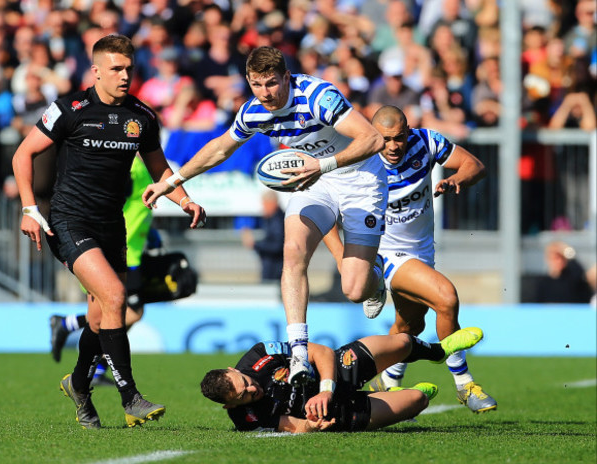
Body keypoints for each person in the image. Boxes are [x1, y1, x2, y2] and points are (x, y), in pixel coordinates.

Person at [141, 46, 388, 387]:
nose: (265, 93)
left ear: (287, 77)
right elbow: (219, 149)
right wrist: (171, 181)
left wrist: (323, 165)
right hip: (312, 180)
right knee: (293, 252)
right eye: (257, 84)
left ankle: (375, 274)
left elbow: (372, 138)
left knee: (356, 289)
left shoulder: (318, 97)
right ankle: (300, 355)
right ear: (248, 81)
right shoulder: (254, 112)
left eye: (272, 83)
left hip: (359, 178)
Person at [12, 34, 206, 429]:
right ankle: (130, 396)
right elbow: (23, 153)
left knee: (100, 317)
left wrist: (183, 200)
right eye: (115, 69)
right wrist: (30, 209)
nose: (124, 76)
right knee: (116, 296)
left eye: (129, 69)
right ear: (96, 70)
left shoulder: (142, 117)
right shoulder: (70, 108)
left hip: (111, 225)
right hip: (68, 220)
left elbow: (160, 169)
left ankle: (79, 384)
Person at [323, 105, 497, 414]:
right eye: (385, 139)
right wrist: (343, 259)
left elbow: (475, 166)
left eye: (399, 138)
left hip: (421, 253)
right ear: (373, 136)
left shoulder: (427, 142)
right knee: (446, 297)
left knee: (409, 327)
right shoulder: (356, 164)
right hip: (385, 252)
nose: (393, 146)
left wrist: (458, 179)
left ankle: (383, 380)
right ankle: (464, 383)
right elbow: (324, 216)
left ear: (408, 133)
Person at [200, 327, 485, 432]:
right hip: (338, 411)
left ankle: (437, 352)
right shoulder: (245, 418)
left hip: (334, 371)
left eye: (245, 382)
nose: (253, 389)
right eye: (245, 395)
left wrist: (325, 389)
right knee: (418, 399)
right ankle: (386, 394)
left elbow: (321, 352)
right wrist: (312, 425)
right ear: (230, 406)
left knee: (401, 343)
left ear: (232, 369)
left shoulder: (259, 355)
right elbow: (295, 426)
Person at [48, 157, 162, 387]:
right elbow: (113, 204)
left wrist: (151, 234)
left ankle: (93, 364)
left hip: (133, 249)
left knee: (118, 313)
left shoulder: (136, 163)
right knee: (123, 312)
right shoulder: (129, 164)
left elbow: (138, 204)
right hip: (122, 251)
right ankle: (71, 329)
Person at [240, 190, 285, 282]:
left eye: (265, 204)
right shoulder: (271, 219)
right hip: (272, 266)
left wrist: (255, 244)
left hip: (276, 269)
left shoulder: (278, 220)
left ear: (272, 203)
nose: (263, 207)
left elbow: (278, 245)